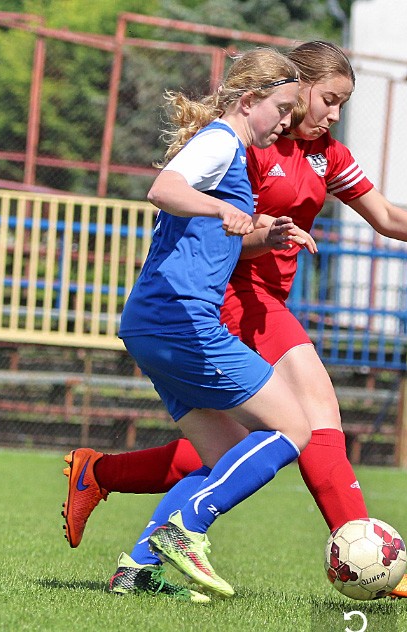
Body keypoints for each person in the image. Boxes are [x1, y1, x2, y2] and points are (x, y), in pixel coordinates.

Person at [63, 40, 407, 601]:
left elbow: (382, 215)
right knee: (309, 417)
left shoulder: (325, 154)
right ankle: (358, 549)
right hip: (232, 296)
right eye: (326, 100)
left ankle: (118, 511)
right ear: (293, 87)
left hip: (251, 300)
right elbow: (210, 222)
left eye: (341, 105)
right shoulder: (247, 143)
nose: (332, 114)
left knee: (225, 450)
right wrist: (263, 231)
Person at [105, 47, 310, 603]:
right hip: (180, 322)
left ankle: (139, 568)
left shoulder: (229, 152)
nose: (288, 121)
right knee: (293, 429)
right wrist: (219, 209)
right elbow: (164, 190)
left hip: (151, 323)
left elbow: (202, 237)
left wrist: (268, 236)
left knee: (227, 456)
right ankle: (187, 526)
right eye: (283, 107)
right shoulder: (221, 141)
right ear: (250, 100)